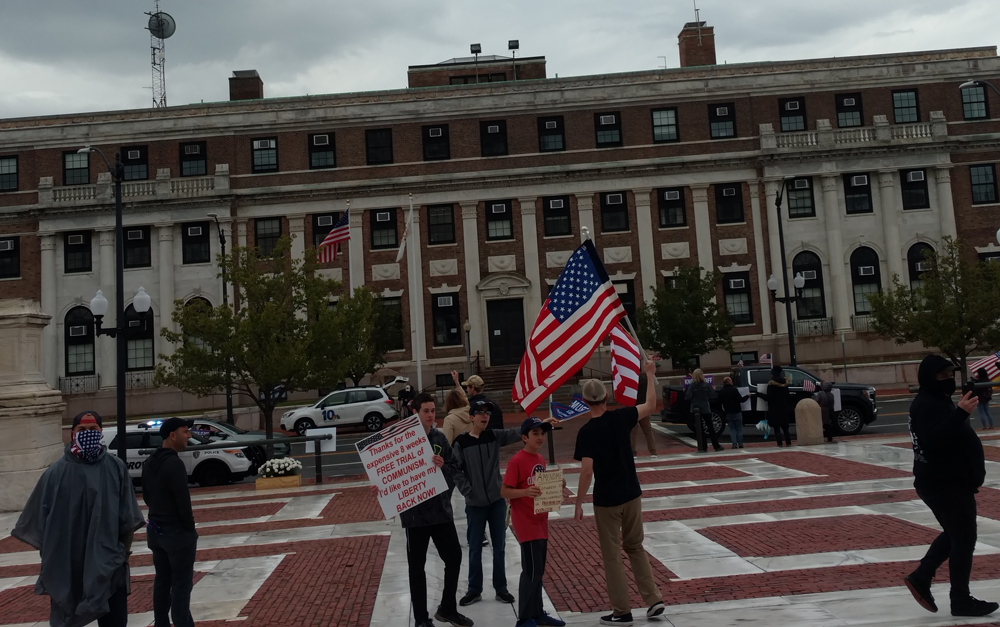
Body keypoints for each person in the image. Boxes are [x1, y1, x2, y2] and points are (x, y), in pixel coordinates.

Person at [13, 410, 144, 627]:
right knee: (67, 616)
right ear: (72, 433)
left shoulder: (115, 468)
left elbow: (127, 517)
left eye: (93, 430)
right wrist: (51, 557)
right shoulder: (55, 473)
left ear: (101, 432)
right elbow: (39, 520)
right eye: (82, 430)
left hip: (108, 563)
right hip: (67, 563)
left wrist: (123, 556)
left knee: (114, 619)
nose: (88, 434)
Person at [903, 354, 998, 618]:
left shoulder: (936, 401)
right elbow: (935, 442)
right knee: (963, 538)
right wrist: (960, 413)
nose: (949, 380)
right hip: (944, 485)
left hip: (948, 483)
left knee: (957, 535)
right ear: (929, 378)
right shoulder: (927, 405)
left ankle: (922, 577)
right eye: (942, 375)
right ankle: (960, 599)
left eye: (950, 375)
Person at [574, 362, 666, 626]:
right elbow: (650, 405)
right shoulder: (621, 417)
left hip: (607, 500)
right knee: (635, 546)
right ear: (606, 396)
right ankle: (654, 599)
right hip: (632, 492)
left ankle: (622, 611)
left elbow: (587, 471)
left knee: (612, 555)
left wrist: (579, 503)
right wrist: (649, 374)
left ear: (585, 402)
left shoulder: (587, 432)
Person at [396, 392, 474, 627]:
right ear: (415, 413)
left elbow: (453, 468)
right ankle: (421, 619)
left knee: (454, 557)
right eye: (426, 411)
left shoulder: (439, 438)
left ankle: (447, 608)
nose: (431, 415)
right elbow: (390, 474)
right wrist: (382, 487)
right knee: (416, 567)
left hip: (440, 511)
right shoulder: (403, 441)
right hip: (415, 516)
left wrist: (443, 467)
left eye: (432, 411)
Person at [452, 399, 522, 608]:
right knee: (474, 547)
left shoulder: (494, 436)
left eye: (487, 413)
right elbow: (455, 469)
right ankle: (474, 589)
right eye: (480, 413)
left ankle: (501, 588)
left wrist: (540, 423)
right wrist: (468, 491)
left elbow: (517, 433)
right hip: (475, 504)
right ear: (471, 417)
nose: (485, 416)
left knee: (499, 546)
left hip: (496, 501)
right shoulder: (461, 442)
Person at [501, 417, 566, 627]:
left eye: (542, 433)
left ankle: (537, 613)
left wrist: (557, 483)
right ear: (524, 437)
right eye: (535, 433)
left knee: (538, 570)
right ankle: (524, 617)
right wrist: (524, 492)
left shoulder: (539, 458)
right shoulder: (517, 461)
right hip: (526, 524)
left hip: (540, 521)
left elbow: (542, 486)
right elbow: (504, 490)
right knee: (530, 571)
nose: (540, 437)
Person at [143, 417, 198, 627]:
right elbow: (183, 501)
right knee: (181, 586)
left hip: (156, 531)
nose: (189, 436)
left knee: (162, 581)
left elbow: (147, 496)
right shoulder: (174, 463)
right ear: (172, 435)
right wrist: (190, 528)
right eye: (185, 432)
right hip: (176, 533)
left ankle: (161, 623)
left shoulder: (150, 462)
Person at [685, 368, 723, 452]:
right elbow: (712, 396)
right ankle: (716, 445)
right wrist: (714, 389)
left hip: (695, 408)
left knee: (699, 428)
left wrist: (685, 391)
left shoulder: (692, 385)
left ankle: (703, 446)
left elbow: (688, 396)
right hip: (705, 407)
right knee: (710, 427)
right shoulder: (706, 385)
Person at [629, 374, 658, 458]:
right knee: (648, 430)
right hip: (644, 406)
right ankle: (653, 451)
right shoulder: (645, 379)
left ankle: (633, 452)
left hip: (633, 407)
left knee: (632, 432)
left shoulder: (632, 380)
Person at [719, 377, 749, 449]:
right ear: (729, 382)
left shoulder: (721, 391)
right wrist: (747, 396)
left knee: (732, 429)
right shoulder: (734, 390)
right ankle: (741, 444)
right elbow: (741, 400)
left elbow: (719, 401)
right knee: (739, 428)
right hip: (737, 411)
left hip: (728, 412)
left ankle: (734, 444)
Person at [766, 366, 793, 447]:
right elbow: (788, 396)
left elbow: (769, 397)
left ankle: (780, 443)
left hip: (774, 409)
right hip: (784, 408)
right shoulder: (785, 383)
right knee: (785, 428)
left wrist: (759, 394)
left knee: (777, 428)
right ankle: (788, 442)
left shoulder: (771, 384)